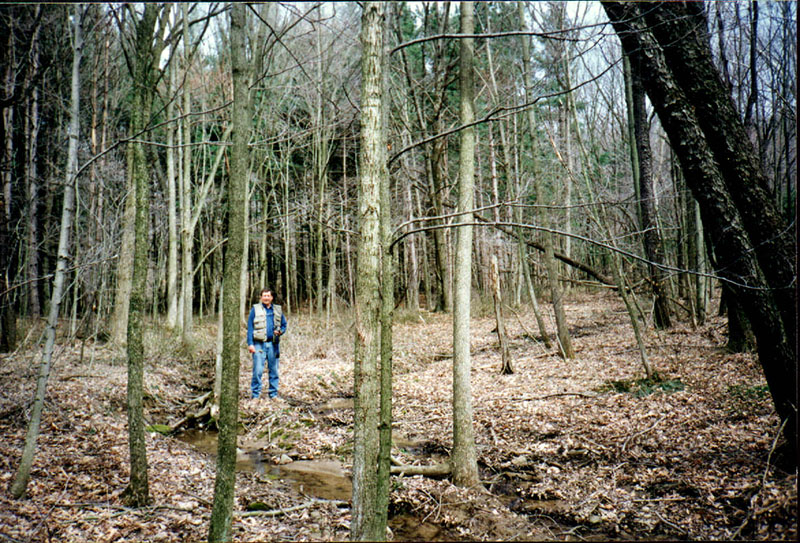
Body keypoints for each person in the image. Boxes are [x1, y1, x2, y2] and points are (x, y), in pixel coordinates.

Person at [246, 288, 287, 401]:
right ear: (261, 297)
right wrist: (250, 344)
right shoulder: (255, 310)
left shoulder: (277, 310)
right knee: (258, 370)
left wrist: (280, 332)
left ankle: (273, 394)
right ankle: (255, 395)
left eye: (268, 296)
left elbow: (284, 325)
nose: (266, 298)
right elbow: (250, 327)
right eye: (264, 296)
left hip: (273, 345)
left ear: (272, 297)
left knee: (274, 370)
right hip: (258, 344)